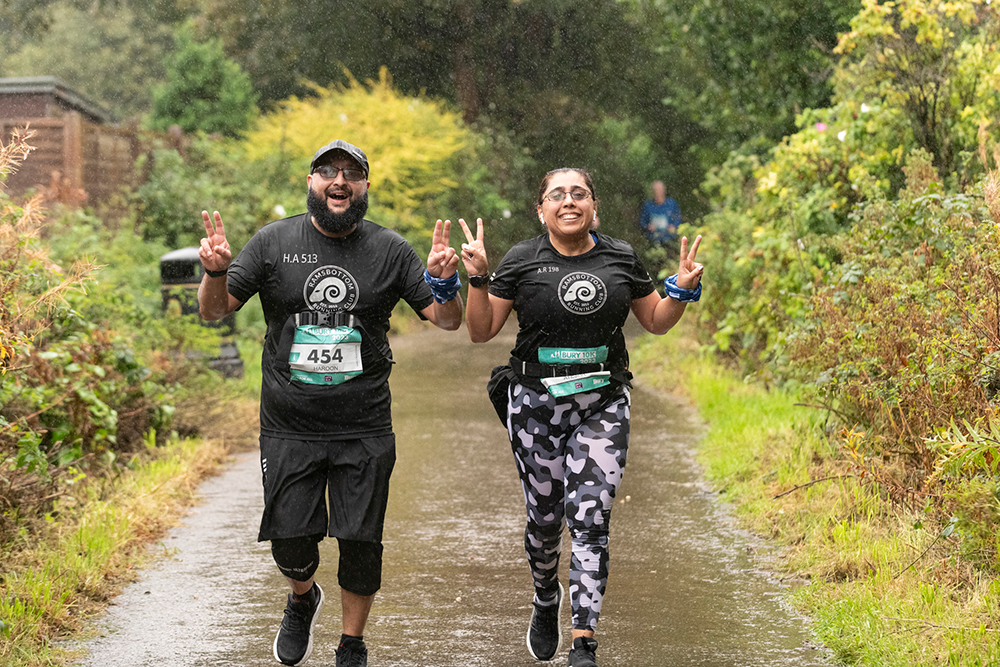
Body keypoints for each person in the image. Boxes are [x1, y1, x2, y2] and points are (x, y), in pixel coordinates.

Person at [197, 140, 463, 667]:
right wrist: (215, 271)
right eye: (328, 171)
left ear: (365, 186)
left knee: (361, 543)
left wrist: (446, 280)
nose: (339, 181)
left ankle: (351, 643)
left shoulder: (389, 249)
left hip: (363, 423)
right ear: (312, 181)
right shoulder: (274, 241)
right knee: (291, 543)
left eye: (352, 173)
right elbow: (214, 311)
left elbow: (449, 319)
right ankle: (302, 597)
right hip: (289, 422)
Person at [457, 168, 703, 667]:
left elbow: (655, 321)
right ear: (541, 209)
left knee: (591, 520)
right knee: (546, 520)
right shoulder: (523, 260)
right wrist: (479, 278)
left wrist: (679, 290)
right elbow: (480, 332)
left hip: (603, 404)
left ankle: (584, 638)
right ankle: (546, 598)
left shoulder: (620, 257)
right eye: (557, 195)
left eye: (579, 194)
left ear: (593, 206)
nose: (569, 202)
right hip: (534, 406)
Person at [639, 180, 682, 249]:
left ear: (664, 190)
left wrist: (673, 227)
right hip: (653, 241)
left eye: (659, 189)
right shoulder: (648, 205)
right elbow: (642, 222)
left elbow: (678, 220)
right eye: (655, 190)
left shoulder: (672, 204)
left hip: (670, 241)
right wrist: (648, 227)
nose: (657, 192)